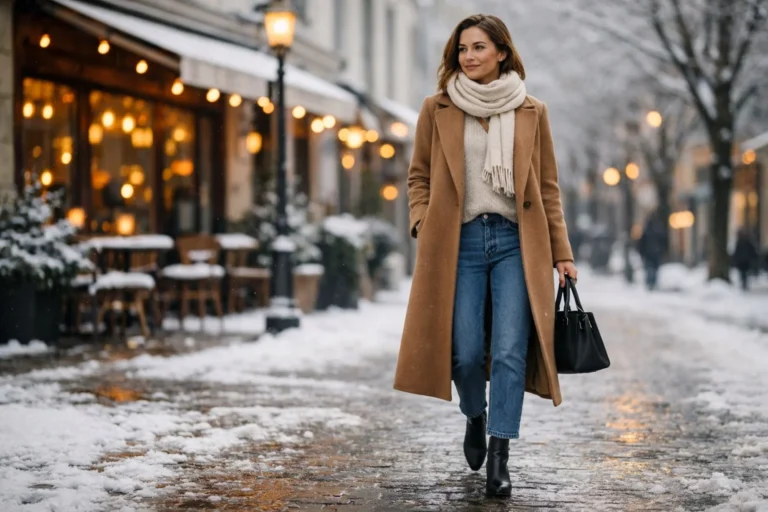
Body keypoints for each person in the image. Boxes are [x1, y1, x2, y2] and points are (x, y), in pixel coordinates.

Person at [393, 14, 577, 497]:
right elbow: (419, 176)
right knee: (466, 352)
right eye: (462, 49)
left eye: (478, 47)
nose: (469, 56)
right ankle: (475, 413)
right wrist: (423, 222)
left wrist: (561, 252)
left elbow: (548, 188)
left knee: (512, 350)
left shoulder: (532, 110)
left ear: (501, 52)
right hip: (460, 242)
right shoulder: (438, 107)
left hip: (517, 243)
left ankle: (500, 453)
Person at [638, 211, 667, 290]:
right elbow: (663, 241)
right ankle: (652, 283)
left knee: (649, 269)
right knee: (654, 269)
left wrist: (642, 253)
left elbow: (641, 243)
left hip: (649, 253)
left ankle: (650, 283)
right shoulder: (659, 229)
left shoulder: (647, 231)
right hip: (656, 253)